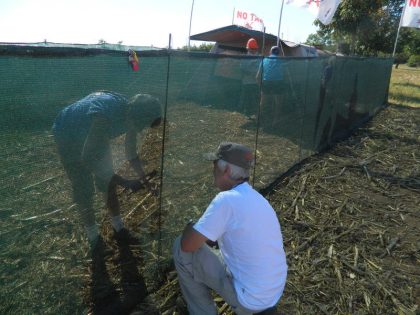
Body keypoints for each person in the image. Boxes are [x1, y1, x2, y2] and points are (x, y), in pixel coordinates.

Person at [172, 142, 288, 315]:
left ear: (225, 170)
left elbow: (188, 245)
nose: (212, 169)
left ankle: (201, 311)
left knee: (179, 247)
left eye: (214, 165)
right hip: (272, 293)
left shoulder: (226, 200)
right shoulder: (257, 199)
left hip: (250, 301)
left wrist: (191, 224)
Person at [52, 91, 162, 247]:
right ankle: (93, 238)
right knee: (83, 187)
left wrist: (145, 180)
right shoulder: (104, 115)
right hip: (68, 134)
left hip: (93, 135)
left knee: (107, 184)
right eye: (141, 123)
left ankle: (118, 228)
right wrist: (124, 182)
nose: (141, 128)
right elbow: (87, 158)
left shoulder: (131, 112)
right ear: (133, 115)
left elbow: (130, 152)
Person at [256, 46, 285, 128]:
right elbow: (285, 72)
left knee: (262, 103)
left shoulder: (264, 60)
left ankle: (258, 119)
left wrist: (261, 87)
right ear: (279, 53)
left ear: (270, 52)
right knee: (278, 103)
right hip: (278, 82)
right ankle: (275, 121)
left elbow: (257, 76)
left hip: (266, 82)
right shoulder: (281, 61)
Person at [239, 38, 261, 116]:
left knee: (255, 99)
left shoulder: (260, 57)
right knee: (247, 98)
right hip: (247, 81)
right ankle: (247, 113)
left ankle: (254, 113)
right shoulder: (245, 57)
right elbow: (241, 70)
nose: (254, 50)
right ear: (248, 48)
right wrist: (250, 73)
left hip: (256, 82)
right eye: (252, 48)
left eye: (255, 49)